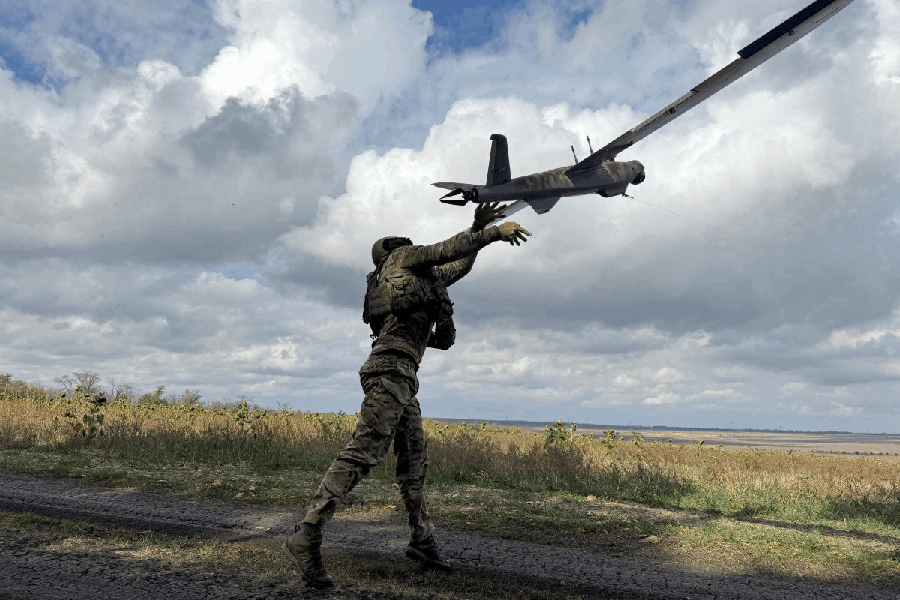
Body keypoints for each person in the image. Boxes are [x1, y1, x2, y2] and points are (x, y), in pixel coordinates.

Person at [282, 202, 532, 588]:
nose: (408, 246)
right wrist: (492, 233)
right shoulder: (401, 260)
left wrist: (477, 233)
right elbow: (444, 251)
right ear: (390, 255)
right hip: (389, 373)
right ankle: (307, 532)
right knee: (364, 452)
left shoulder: (419, 281)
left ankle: (422, 541)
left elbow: (456, 263)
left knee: (414, 463)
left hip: (402, 378)